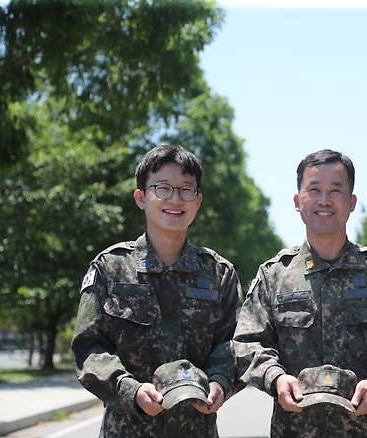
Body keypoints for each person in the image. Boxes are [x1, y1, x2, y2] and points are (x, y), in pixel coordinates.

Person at [233, 149, 367, 437]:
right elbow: (248, 342)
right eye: (314, 189)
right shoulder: (274, 274)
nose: (324, 200)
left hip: (366, 428)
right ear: (297, 201)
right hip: (294, 429)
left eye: (335, 190)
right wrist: (276, 378)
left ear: (352, 202)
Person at [71, 144, 242, 438]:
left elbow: (234, 345)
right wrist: (130, 390)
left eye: (186, 190)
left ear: (197, 201)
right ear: (141, 197)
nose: (175, 199)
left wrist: (220, 382)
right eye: (163, 188)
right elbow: (88, 347)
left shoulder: (218, 273)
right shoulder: (110, 267)